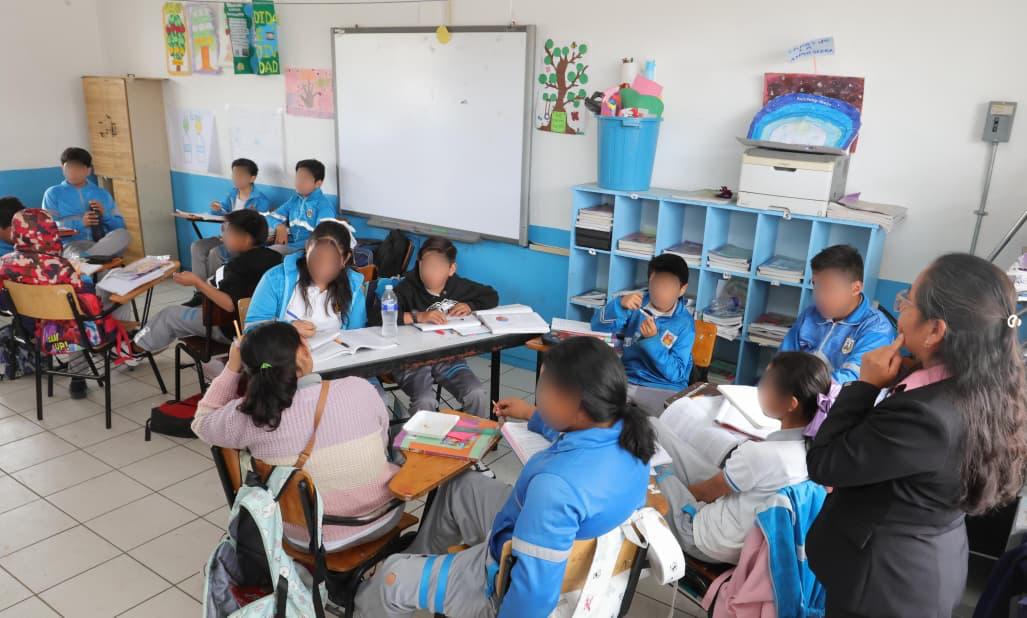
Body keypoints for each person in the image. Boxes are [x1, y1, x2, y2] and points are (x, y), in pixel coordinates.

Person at [355, 337, 655, 617]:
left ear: (572, 401)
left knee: (389, 577)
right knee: (459, 485)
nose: (538, 395)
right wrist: (532, 415)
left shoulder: (555, 487)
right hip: (545, 534)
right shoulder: (629, 438)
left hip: (496, 579)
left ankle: (392, 581)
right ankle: (420, 558)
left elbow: (533, 596)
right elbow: (574, 435)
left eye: (543, 385)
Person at [806, 253, 1027, 617]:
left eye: (907, 301)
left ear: (935, 330)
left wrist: (865, 386)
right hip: (923, 564)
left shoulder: (926, 415)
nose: (900, 310)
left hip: (883, 586)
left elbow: (825, 463)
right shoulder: (986, 387)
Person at [193, 321, 403, 551]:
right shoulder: (358, 388)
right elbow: (383, 443)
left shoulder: (250, 415)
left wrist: (232, 367)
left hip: (307, 537)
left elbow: (201, 422)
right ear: (303, 352)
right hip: (382, 517)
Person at [650, 351, 831, 564]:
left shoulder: (760, 454)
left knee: (651, 465)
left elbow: (706, 492)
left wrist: (678, 492)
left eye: (766, 383)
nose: (759, 388)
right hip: (744, 537)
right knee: (652, 426)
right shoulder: (819, 452)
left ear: (791, 404)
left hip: (702, 536)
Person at [0, 209, 129, 398]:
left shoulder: (4, 264)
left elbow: (4, 304)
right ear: (51, 233)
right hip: (65, 339)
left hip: (32, 336)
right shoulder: (59, 267)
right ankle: (81, 375)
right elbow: (85, 306)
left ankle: (81, 375)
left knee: (67, 319)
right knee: (81, 317)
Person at [133, 209, 281, 354]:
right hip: (266, 330)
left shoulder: (239, 266)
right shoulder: (276, 258)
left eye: (227, 232)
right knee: (186, 309)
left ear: (245, 238)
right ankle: (151, 339)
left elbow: (230, 304)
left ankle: (133, 350)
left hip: (232, 329)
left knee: (169, 315)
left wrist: (197, 282)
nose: (223, 237)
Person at [389, 236, 498, 417]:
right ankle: (421, 436)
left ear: (451, 269)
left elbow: (491, 295)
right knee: (425, 400)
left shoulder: (458, 286)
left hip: (447, 358)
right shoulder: (407, 287)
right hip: (412, 361)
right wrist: (418, 316)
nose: (430, 272)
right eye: (426, 265)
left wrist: (470, 305)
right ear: (419, 264)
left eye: (437, 267)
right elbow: (381, 317)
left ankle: (471, 434)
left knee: (476, 393)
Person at [591, 253, 695, 416]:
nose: (659, 291)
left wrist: (653, 341)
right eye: (655, 284)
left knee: (660, 425)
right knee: (594, 409)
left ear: (682, 289)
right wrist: (619, 305)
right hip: (628, 379)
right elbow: (597, 325)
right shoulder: (637, 303)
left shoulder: (685, 324)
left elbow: (676, 374)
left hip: (663, 387)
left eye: (667, 286)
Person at [780, 245, 894, 384]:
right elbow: (783, 361)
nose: (819, 296)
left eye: (828, 288)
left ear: (856, 288)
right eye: (816, 285)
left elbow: (852, 380)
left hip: (836, 397)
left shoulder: (876, 328)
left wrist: (801, 388)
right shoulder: (810, 314)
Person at [245, 219, 366, 335]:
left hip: (334, 350)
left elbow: (356, 335)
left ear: (345, 259)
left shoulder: (353, 288)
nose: (322, 269)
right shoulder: (276, 279)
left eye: (332, 262)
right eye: (316, 258)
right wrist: (286, 328)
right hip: (286, 349)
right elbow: (251, 331)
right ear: (308, 247)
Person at [185, 158, 272, 306]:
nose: (236, 178)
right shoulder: (232, 194)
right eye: (234, 174)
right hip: (226, 236)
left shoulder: (260, 200)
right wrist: (216, 209)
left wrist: (231, 231)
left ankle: (214, 293)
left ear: (252, 178)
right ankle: (200, 292)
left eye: (240, 175)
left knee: (215, 252)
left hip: (240, 241)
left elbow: (257, 227)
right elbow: (223, 212)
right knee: (197, 246)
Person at [41, 147, 130, 259]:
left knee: (123, 234)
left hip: (102, 243)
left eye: (78, 167)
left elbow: (120, 226)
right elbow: (47, 228)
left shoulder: (102, 194)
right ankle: (95, 259)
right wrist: (80, 223)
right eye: (69, 167)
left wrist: (105, 215)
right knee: (79, 254)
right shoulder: (53, 193)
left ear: (88, 170)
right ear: (62, 169)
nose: (73, 171)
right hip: (72, 245)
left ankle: (89, 258)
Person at [266, 159, 335, 255]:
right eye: (298, 178)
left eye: (305, 179)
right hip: (289, 243)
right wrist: (280, 227)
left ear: (318, 183)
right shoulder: (295, 199)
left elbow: (323, 237)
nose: (299, 183)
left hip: (305, 251)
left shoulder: (324, 205)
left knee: (269, 253)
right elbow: (270, 217)